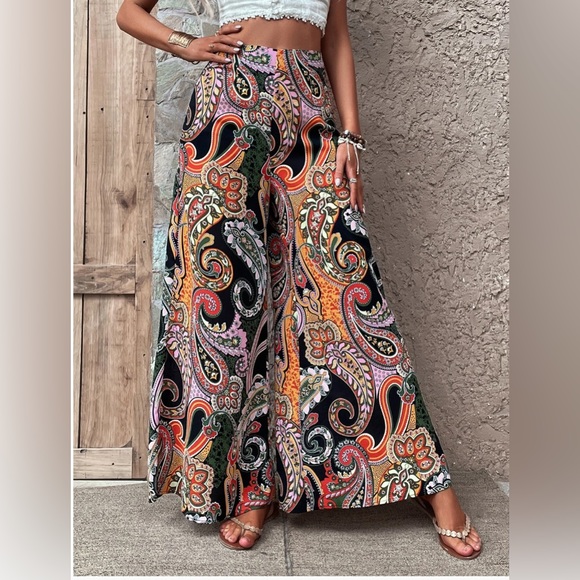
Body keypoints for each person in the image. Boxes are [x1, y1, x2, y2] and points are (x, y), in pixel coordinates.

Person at [116, 0, 483, 559]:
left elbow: (336, 37)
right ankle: (255, 486)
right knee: (228, 307)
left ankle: (427, 477)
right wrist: (186, 45)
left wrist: (350, 137)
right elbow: (129, 11)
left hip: (310, 112)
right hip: (227, 107)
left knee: (346, 287)